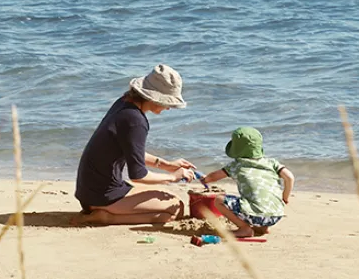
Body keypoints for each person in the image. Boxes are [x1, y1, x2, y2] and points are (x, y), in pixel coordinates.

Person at [73, 64, 195, 225]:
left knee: (166, 196)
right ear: (154, 97)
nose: (169, 108)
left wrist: (167, 165)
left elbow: (131, 152)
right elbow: (138, 176)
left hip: (89, 192)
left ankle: (103, 211)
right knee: (176, 207)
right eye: (168, 103)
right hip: (103, 196)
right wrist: (173, 177)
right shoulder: (136, 122)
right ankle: (105, 217)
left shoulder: (124, 104)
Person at [196, 126, 294, 238]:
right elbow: (289, 177)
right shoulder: (272, 163)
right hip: (276, 215)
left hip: (256, 215)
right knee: (260, 200)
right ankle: (263, 228)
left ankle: (244, 229)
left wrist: (205, 179)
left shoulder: (237, 165)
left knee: (219, 200)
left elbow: (214, 176)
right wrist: (285, 198)